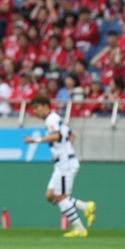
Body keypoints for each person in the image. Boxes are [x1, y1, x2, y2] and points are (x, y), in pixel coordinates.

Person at [24, 95, 96, 237]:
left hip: (65, 164)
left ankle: (79, 228)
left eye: (36, 108)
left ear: (45, 106)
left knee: (60, 196)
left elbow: (57, 136)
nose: (35, 112)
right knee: (50, 195)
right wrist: (64, 151)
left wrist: (36, 140)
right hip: (63, 162)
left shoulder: (51, 119)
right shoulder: (55, 118)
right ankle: (85, 206)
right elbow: (72, 135)